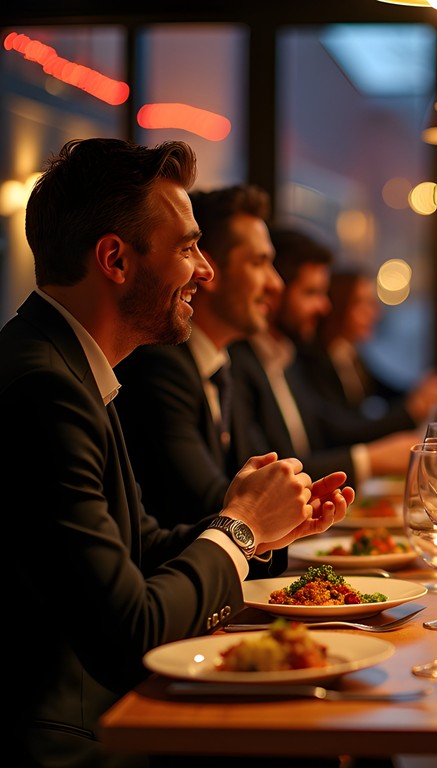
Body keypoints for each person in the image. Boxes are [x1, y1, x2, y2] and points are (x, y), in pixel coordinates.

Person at [2, 138, 351, 768]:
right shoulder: (46, 388)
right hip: (73, 741)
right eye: (188, 248)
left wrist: (265, 534)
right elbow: (128, 634)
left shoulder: (71, 367)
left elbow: (140, 548)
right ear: (115, 259)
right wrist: (239, 527)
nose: (205, 271)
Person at [115, 184, 286, 530]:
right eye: (258, 263)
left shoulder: (226, 363)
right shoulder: (159, 364)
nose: (276, 283)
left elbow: (260, 477)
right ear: (212, 271)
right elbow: (209, 507)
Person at [229, 226, 418, 492]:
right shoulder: (239, 364)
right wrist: (371, 460)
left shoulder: (287, 359)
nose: (324, 306)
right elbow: (261, 478)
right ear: (274, 291)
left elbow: (327, 432)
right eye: (311, 293)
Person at [303, 265, 437, 427]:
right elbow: (343, 429)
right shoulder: (314, 360)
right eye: (363, 303)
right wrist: (410, 412)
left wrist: (421, 391)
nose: (375, 312)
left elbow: (385, 391)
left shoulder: (349, 352)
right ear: (338, 304)